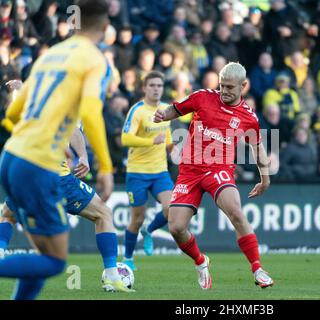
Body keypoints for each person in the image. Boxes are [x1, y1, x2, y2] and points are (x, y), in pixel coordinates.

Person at [0, 0, 114, 300]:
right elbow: (90, 113)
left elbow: (12, 116)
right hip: (37, 164)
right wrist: (106, 166)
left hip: (11, 156)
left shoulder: (50, 56)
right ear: (104, 26)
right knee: (53, 261)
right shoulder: (94, 60)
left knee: (41, 253)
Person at [153, 62, 274, 289]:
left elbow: (257, 149)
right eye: (222, 86)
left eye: (230, 87)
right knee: (176, 228)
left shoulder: (248, 117)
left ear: (243, 86)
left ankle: (257, 268)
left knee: (236, 211)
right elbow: (176, 109)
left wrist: (265, 179)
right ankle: (201, 261)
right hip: (189, 170)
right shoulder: (202, 97)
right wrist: (163, 116)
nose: (225, 91)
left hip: (219, 170)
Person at [0, 126, 132, 293]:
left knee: (7, 215)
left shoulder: (27, 101)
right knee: (102, 215)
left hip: (21, 169)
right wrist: (83, 156)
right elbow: (73, 128)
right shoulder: (66, 101)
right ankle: (112, 277)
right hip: (57, 178)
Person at [121, 71, 174, 269]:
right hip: (137, 172)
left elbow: (166, 136)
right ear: (144, 88)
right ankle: (127, 258)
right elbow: (125, 139)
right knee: (137, 218)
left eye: (159, 85)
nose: (156, 89)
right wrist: (151, 141)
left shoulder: (166, 109)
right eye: (152, 85)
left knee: (172, 208)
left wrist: (173, 148)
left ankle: (149, 230)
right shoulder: (137, 111)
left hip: (160, 171)